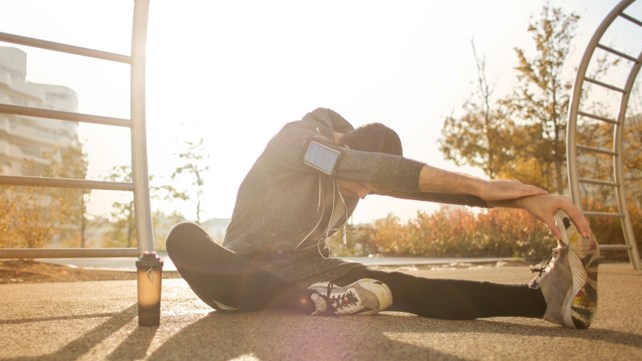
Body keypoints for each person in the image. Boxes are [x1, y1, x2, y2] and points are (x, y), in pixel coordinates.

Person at [166, 108, 599, 329]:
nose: (366, 194)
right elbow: (365, 170)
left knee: (400, 285)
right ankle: (316, 302)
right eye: (365, 183)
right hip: (239, 276)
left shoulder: (357, 166)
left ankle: (541, 302)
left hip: (310, 272)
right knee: (183, 237)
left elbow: (410, 183)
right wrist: (484, 186)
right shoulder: (299, 142)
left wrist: (522, 201)